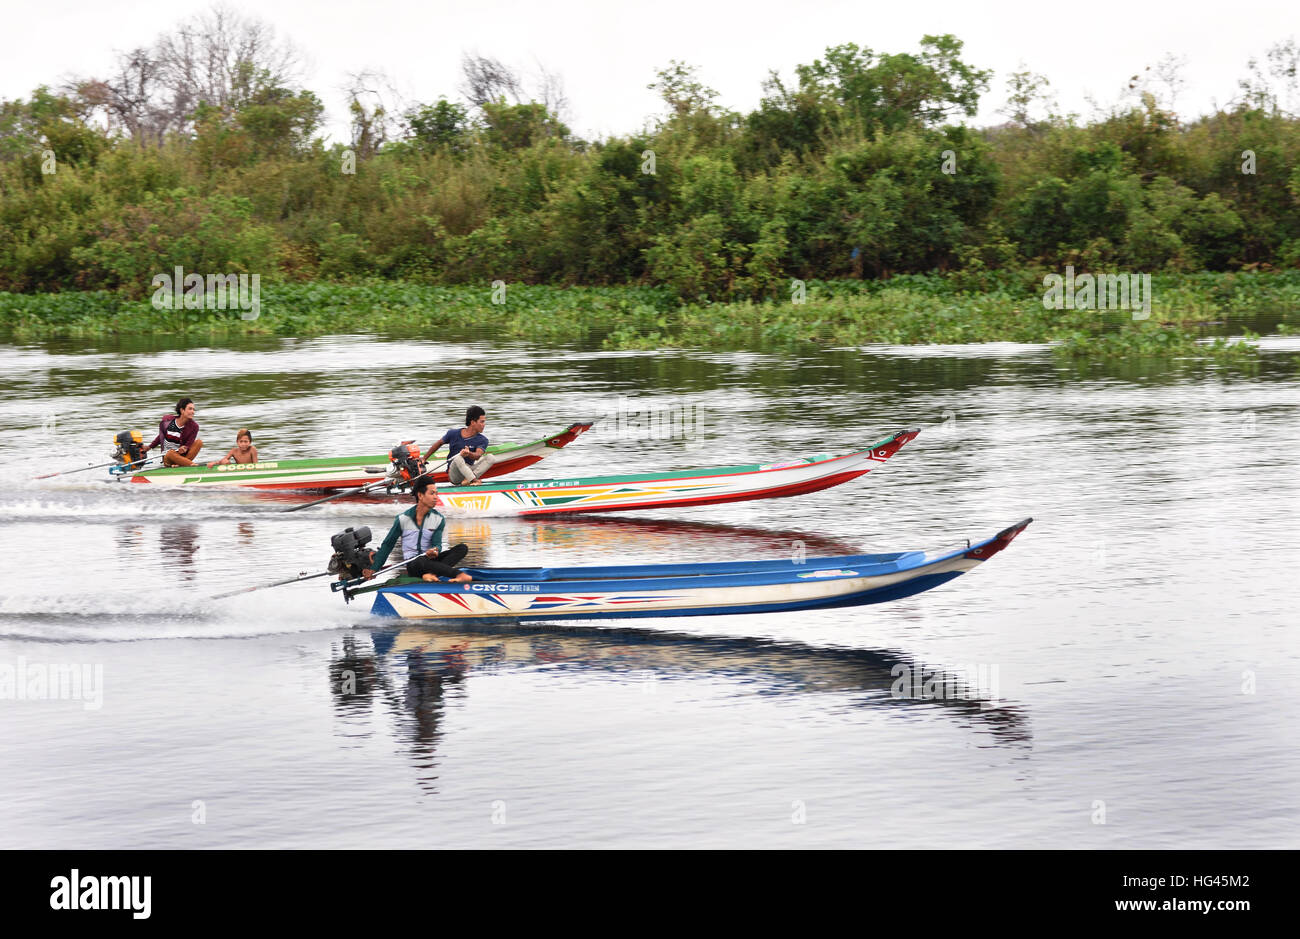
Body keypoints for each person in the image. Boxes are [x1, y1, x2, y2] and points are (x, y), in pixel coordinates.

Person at [366, 477, 473, 583]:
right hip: (414, 565)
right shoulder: (403, 519)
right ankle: (458, 574)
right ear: (420, 495)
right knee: (419, 560)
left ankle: (431, 575)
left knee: (462, 548)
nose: (436, 497)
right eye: (432, 493)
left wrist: (435, 550)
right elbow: (388, 545)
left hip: (430, 562)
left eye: (437, 493)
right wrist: (374, 568)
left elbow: (437, 544)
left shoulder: (439, 519)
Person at [426, 405, 496, 486]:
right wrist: (424, 459)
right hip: (455, 474)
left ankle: (469, 479)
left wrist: (469, 453)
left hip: (469, 470)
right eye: (482, 422)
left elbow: (477, 456)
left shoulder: (483, 440)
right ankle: (473, 480)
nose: (484, 425)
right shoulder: (453, 433)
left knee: (491, 457)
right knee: (458, 457)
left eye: (484, 422)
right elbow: (438, 444)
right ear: (473, 422)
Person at [142, 397, 203, 466]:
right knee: (171, 453)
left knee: (199, 442)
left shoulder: (194, 426)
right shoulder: (169, 421)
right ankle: (190, 465)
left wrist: (185, 448)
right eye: (190, 409)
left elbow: (188, 444)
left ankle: (181, 464)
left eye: (193, 409)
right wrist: (149, 447)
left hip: (182, 456)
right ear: (182, 410)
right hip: (168, 457)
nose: (193, 412)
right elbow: (160, 437)